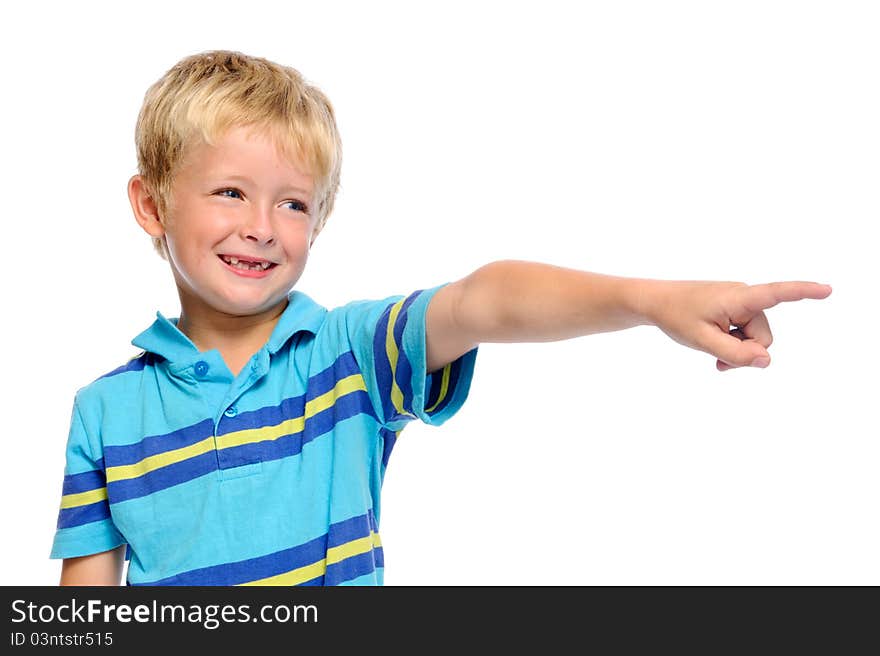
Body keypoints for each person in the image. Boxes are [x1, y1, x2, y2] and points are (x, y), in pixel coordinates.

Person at [50, 49, 832, 586]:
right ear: (152, 205)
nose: (263, 225)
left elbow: (484, 300)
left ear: (315, 225)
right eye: (230, 192)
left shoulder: (345, 355)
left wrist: (654, 301)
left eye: (293, 203)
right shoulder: (104, 412)